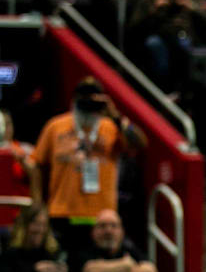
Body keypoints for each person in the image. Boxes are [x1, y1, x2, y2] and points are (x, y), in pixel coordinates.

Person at [31, 77, 145, 251]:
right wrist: (37, 201)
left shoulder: (112, 127)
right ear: (74, 101)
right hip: (62, 212)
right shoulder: (56, 126)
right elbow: (37, 164)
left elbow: (140, 143)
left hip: (101, 216)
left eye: (94, 99)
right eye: (85, 99)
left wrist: (115, 116)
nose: (89, 105)